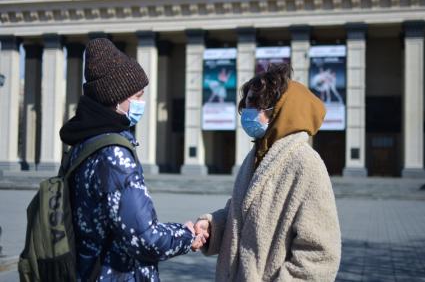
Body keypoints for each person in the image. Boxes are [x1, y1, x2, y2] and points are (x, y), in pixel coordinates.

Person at [60, 38, 204, 282]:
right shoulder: (113, 155)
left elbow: (122, 226)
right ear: (116, 97)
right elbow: (144, 238)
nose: (142, 102)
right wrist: (188, 237)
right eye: (137, 95)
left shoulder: (83, 145)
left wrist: (180, 230)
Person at [194, 63, 341, 281]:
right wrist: (212, 226)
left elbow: (320, 254)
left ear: (279, 110)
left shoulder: (306, 163)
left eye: (255, 103)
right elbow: (243, 213)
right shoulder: (256, 155)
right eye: (247, 103)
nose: (247, 110)